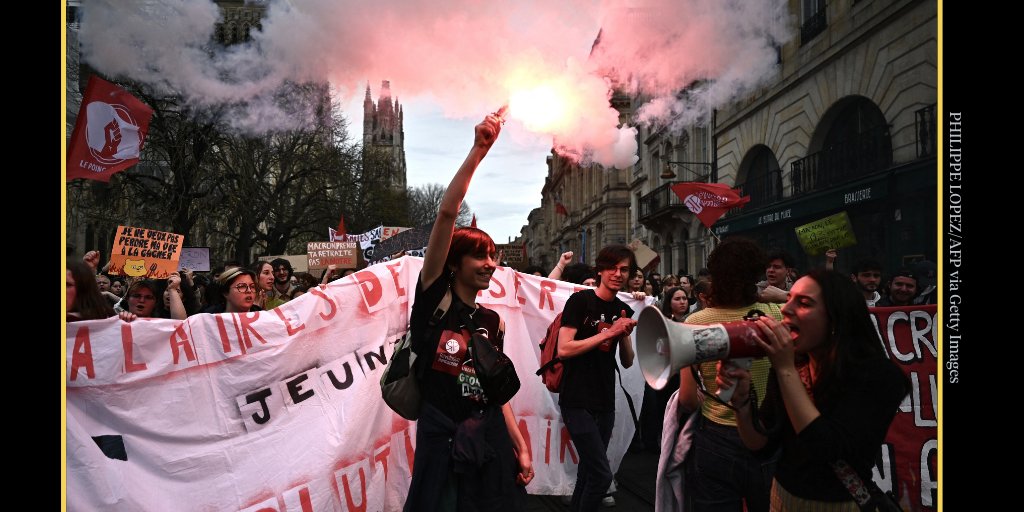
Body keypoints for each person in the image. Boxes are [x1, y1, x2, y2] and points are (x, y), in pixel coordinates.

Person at [403, 112, 532, 512]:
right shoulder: (433, 303)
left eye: (493, 256)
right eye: (480, 256)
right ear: (454, 263)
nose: (490, 264)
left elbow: (496, 390)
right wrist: (479, 150)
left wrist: (519, 444)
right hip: (442, 443)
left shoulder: (493, 322)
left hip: (488, 440)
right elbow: (447, 214)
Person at [719, 269, 910, 509]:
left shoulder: (879, 376)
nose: (786, 309)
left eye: (804, 303)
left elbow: (825, 447)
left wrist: (785, 369)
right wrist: (742, 403)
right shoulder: (793, 365)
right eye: (789, 299)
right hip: (782, 499)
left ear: (836, 318)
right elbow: (761, 446)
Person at [677, 237, 782, 512]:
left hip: (715, 435)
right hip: (767, 431)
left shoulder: (694, 322)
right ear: (756, 276)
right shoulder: (775, 315)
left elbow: (687, 400)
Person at [557, 244, 638, 511]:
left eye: (624, 269)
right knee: (602, 476)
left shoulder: (623, 308)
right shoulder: (580, 301)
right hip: (576, 399)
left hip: (605, 401)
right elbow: (564, 349)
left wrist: (623, 336)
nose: (618, 274)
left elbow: (627, 361)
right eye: (612, 268)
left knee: (589, 472)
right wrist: (609, 332)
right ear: (600, 270)